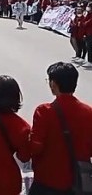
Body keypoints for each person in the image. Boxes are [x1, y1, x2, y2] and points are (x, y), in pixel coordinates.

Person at [29, 62, 92, 194]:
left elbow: (35, 147)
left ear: (53, 84)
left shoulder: (44, 111)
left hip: (47, 180)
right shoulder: (88, 112)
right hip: (77, 182)